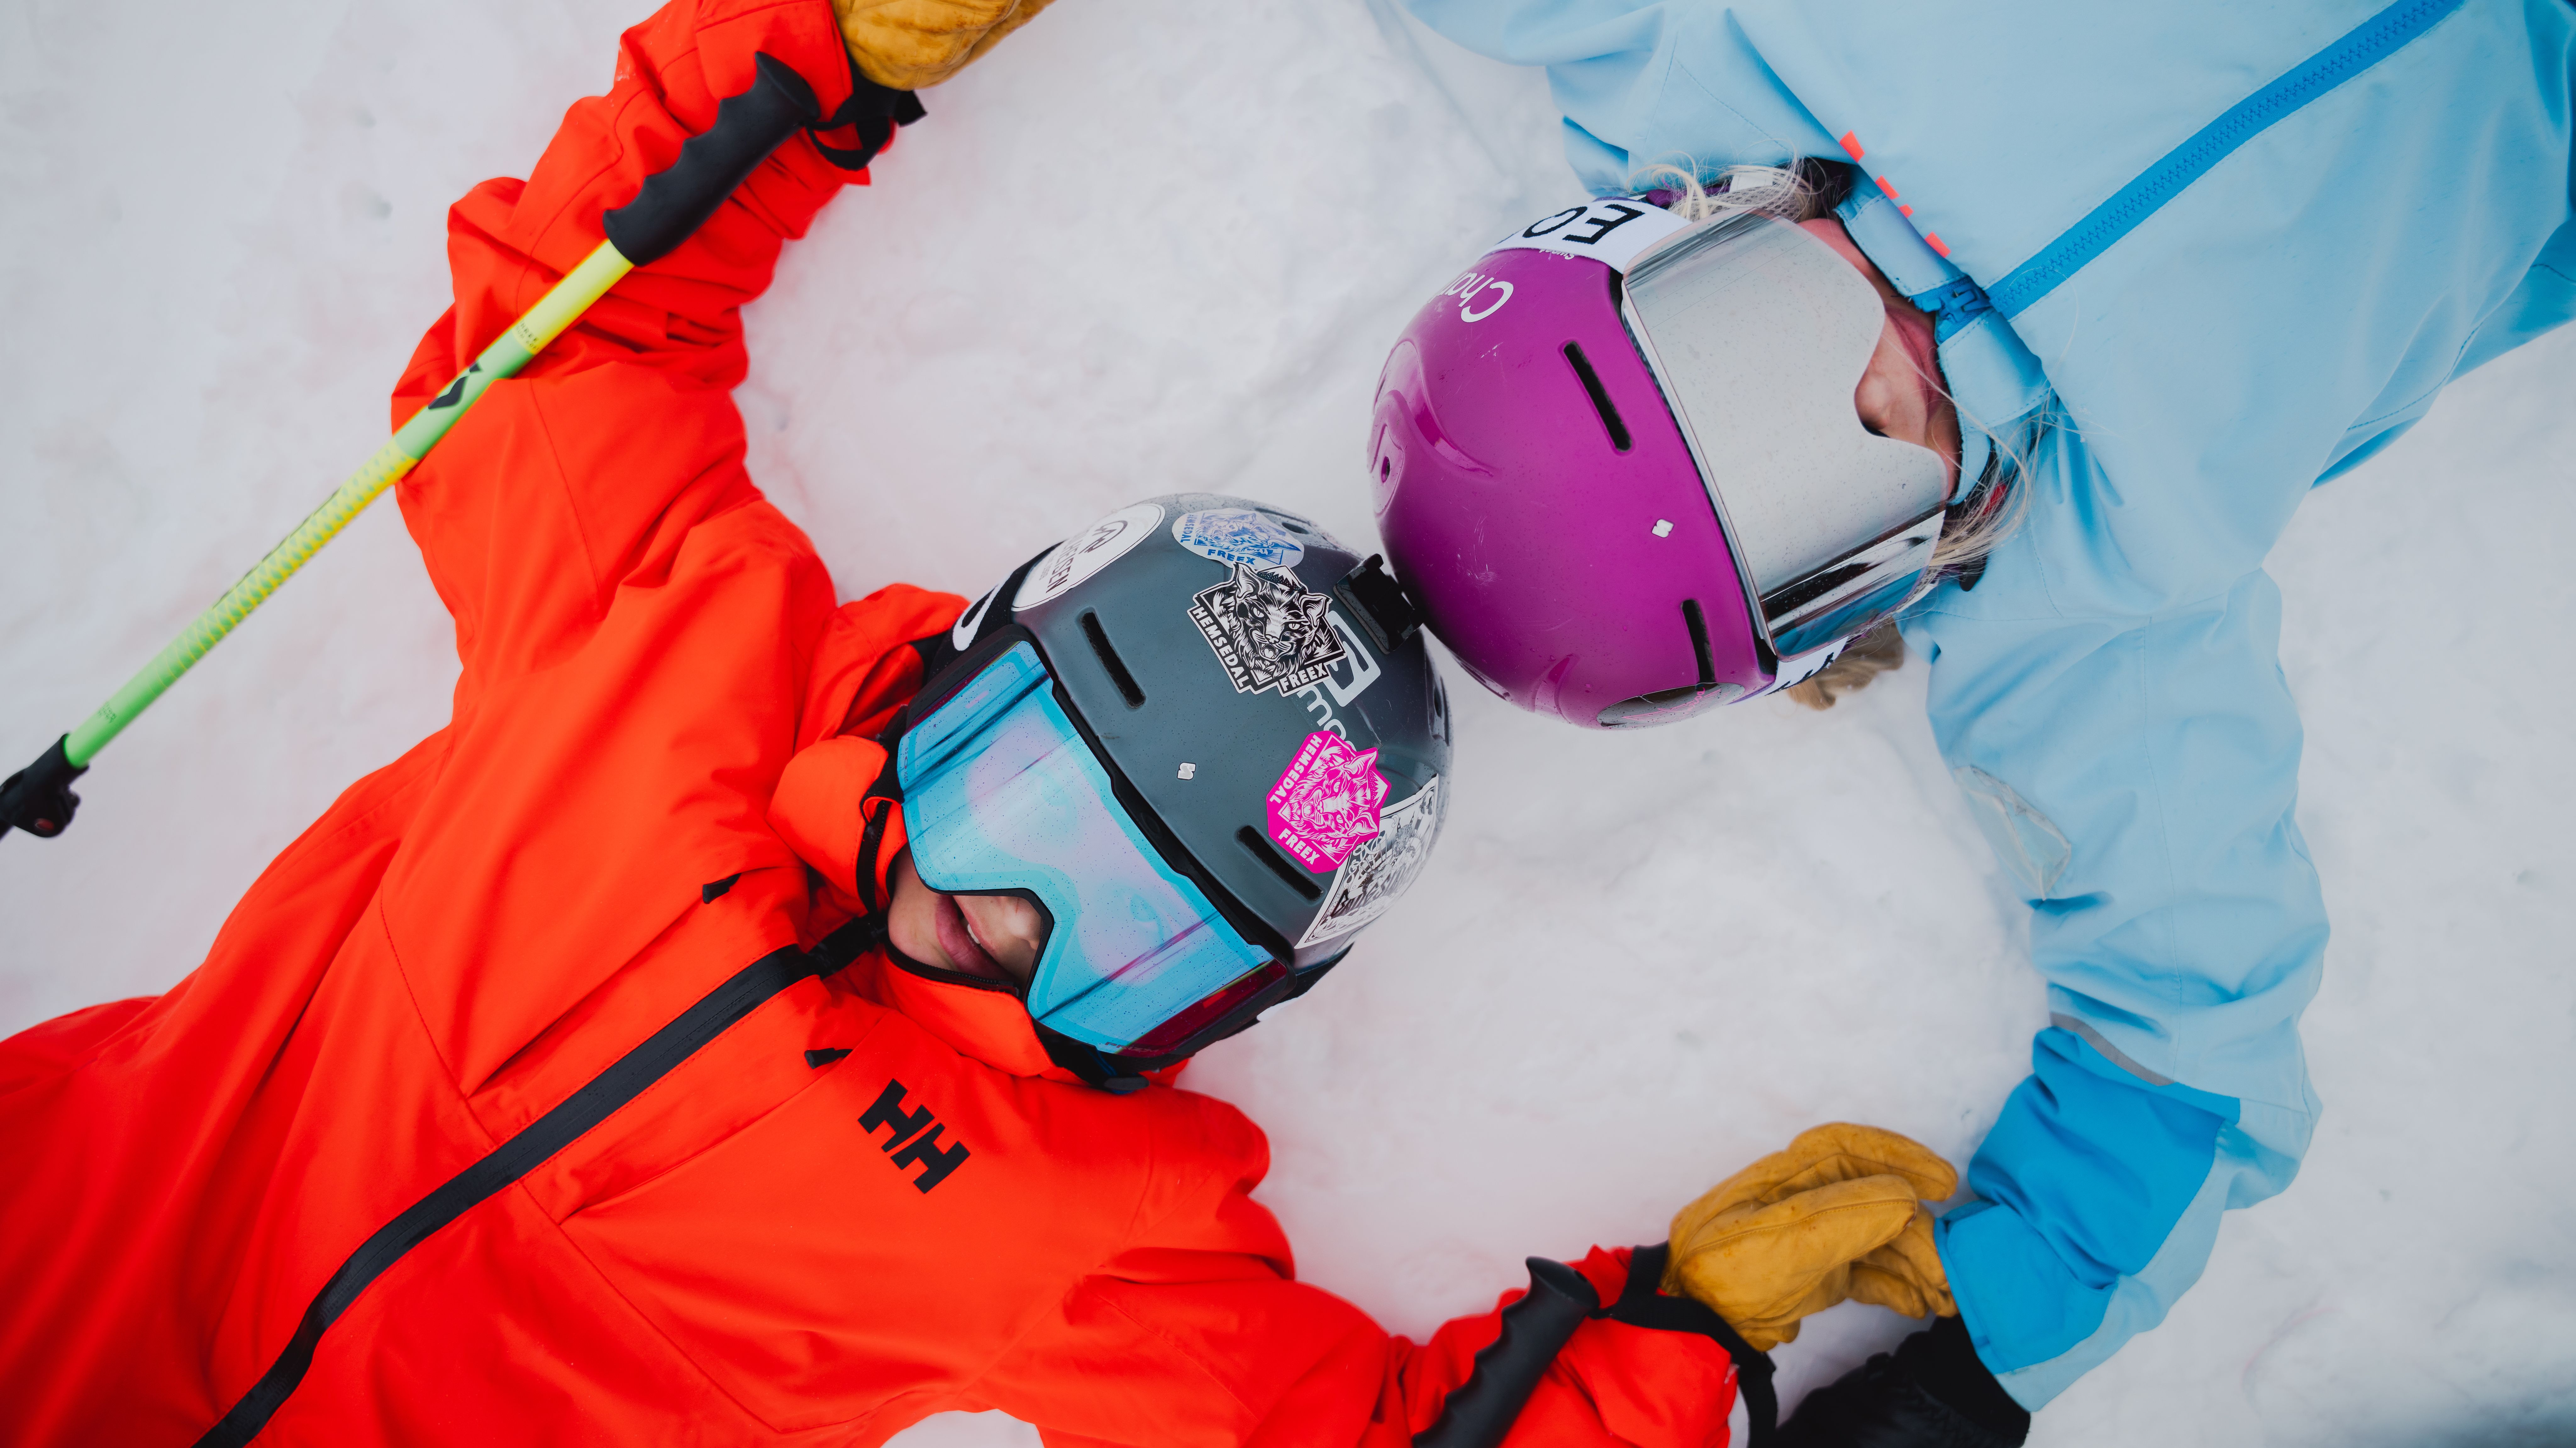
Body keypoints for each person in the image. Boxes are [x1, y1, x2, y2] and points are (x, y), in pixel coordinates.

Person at [0, 3, 1966, 1444]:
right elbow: (562, 344)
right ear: (952, 686)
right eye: (1020, 795)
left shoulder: (1083, 1231)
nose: (1005, 920)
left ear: (1215, 1010)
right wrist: (821, 58)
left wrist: (1682, 1336)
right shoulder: (666, 664)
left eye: (1134, 928)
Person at [1372, 0, 2575, 1441]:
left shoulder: (1700, 42)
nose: (1875, 365)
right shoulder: (2069, 599)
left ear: (1655, 230)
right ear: (1835, 589)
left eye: (1751, 339)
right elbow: (2179, 1055)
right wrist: (1963, 1383)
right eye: (1825, 476)